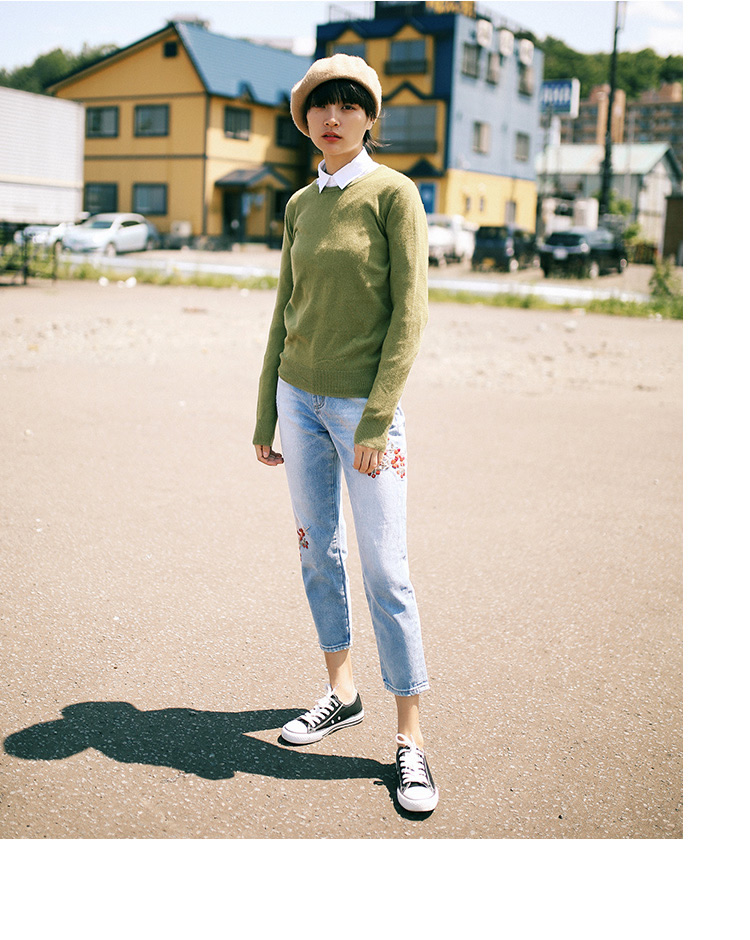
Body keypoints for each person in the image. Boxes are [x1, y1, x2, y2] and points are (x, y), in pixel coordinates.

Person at [253, 55, 437, 813]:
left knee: (386, 570)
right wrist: (266, 411)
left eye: (348, 105)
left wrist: (376, 416)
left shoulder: (394, 194)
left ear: (369, 117)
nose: (333, 118)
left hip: (365, 411)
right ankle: (341, 691)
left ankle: (411, 739)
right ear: (305, 123)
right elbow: (284, 310)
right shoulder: (301, 203)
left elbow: (410, 313)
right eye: (319, 107)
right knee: (317, 553)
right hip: (297, 399)